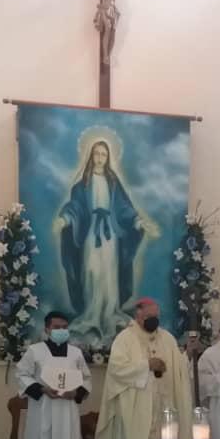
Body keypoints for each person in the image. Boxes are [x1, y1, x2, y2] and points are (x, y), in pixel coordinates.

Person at [56, 138, 157, 346]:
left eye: (103, 154)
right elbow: (75, 206)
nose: (100, 158)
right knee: (92, 271)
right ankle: (92, 314)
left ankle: (109, 312)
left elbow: (123, 208)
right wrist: (65, 219)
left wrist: (138, 222)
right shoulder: (81, 185)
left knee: (109, 274)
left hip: (110, 235)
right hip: (91, 235)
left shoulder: (113, 183)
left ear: (108, 157)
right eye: (96, 154)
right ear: (90, 156)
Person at [96, 298, 192, 439]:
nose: (153, 320)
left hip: (163, 406)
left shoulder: (167, 338)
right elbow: (117, 369)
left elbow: (178, 368)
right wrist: (146, 365)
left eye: (156, 316)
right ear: (138, 316)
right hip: (135, 407)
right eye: (148, 316)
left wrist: (188, 354)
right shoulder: (125, 338)